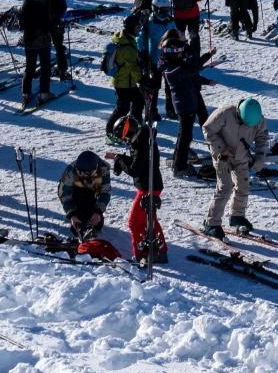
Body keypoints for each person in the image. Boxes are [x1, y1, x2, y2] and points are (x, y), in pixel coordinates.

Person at [202, 97, 268, 238]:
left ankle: (237, 216)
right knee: (225, 187)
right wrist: (221, 148)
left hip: (241, 156)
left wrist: (260, 156)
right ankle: (211, 223)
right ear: (238, 113)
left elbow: (262, 136)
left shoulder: (257, 118)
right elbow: (207, 129)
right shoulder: (225, 113)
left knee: (243, 186)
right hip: (223, 156)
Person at [123, 108, 168, 264]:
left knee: (135, 222)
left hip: (148, 187)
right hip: (150, 185)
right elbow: (139, 164)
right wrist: (121, 159)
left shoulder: (141, 144)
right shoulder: (144, 138)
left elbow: (135, 169)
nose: (126, 141)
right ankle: (159, 251)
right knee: (149, 218)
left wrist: (119, 160)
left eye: (126, 137)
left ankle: (141, 254)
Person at [160, 32, 208, 176]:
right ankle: (180, 166)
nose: (182, 55)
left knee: (184, 135)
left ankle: (178, 160)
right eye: (180, 53)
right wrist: (203, 61)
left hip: (187, 104)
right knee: (185, 136)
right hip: (184, 106)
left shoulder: (175, 65)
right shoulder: (172, 69)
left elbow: (192, 67)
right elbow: (192, 68)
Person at [58, 150, 117, 258]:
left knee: (96, 221)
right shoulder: (71, 171)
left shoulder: (103, 169)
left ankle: (91, 225)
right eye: (81, 173)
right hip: (76, 192)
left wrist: (98, 211)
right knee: (79, 219)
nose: (84, 175)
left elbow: (105, 192)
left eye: (88, 173)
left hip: (93, 191)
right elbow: (64, 195)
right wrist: (72, 214)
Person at [103, 27, 145, 140]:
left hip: (125, 81)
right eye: (137, 27)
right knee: (123, 108)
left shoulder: (125, 39)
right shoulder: (127, 47)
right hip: (123, 82)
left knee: (138, 101)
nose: (138, 29)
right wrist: (141, 80)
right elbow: (132, 67)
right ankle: (110, 132)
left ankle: (133, 126)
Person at [19, 0, 56, 105]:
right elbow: (48, 25)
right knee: (45, 67)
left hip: (29, 42)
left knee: (29, 68)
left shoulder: (24, 7)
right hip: (42, 42)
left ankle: (26, 93)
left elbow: (22, 25)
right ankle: (44, 93)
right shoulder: (42, 8)